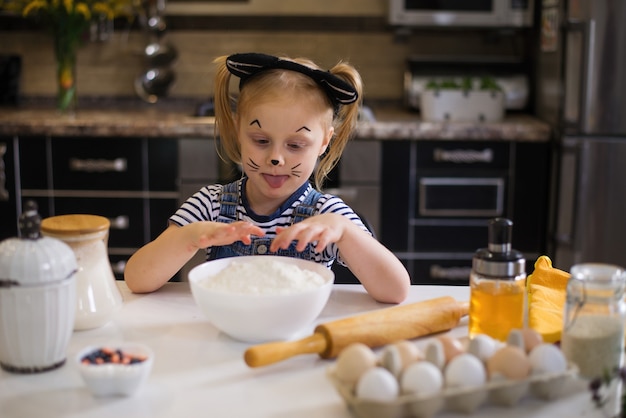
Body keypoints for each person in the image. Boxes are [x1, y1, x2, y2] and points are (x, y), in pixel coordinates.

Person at [124, 52, 410, 303]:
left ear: (324, 142)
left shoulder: (328, 216)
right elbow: (137, 280)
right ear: (238, 130)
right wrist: (191, 236)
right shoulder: (210, 204)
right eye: (261, 140)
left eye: (295, 145)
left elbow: (396, 291)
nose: (276, 158)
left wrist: (346, 233)